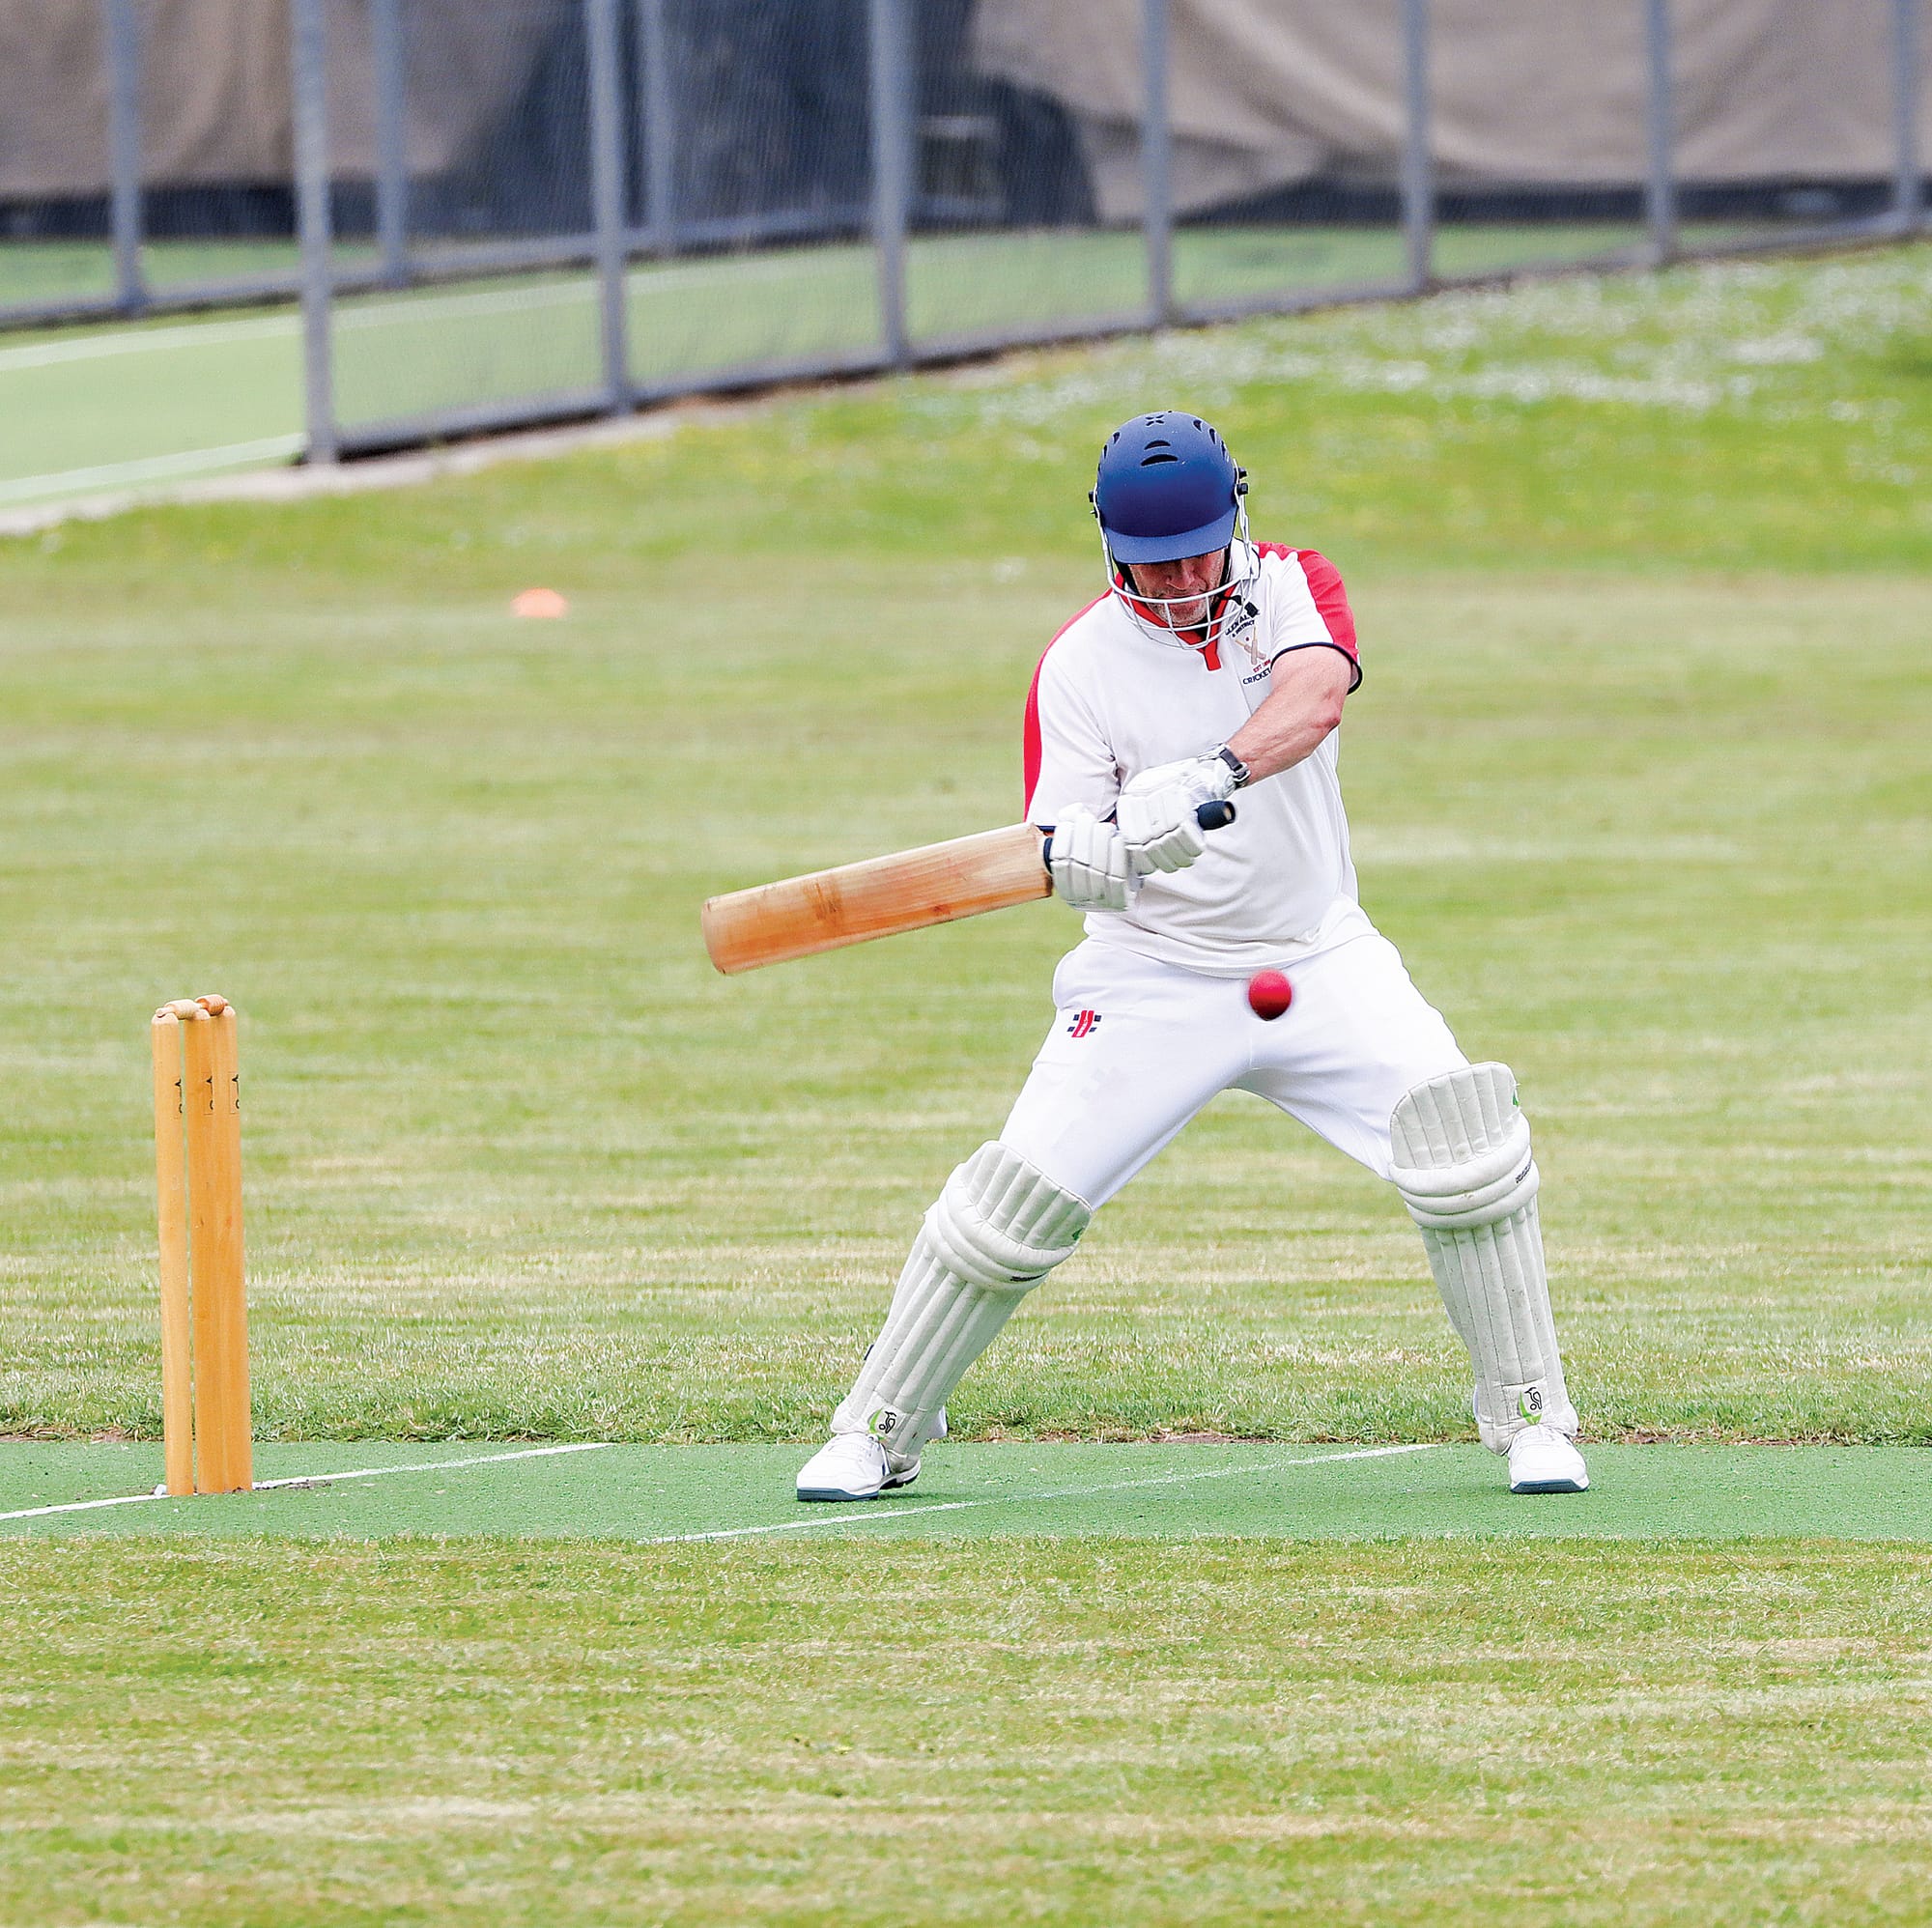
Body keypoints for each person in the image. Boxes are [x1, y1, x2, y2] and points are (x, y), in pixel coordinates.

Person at [796, 411, 1587, 1502]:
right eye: (1148, 568)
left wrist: (1207, 772)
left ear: (1237, 522)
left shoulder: (1292, 584)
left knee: (1466, 1148)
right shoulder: (1076, 664)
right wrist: (1089, 854)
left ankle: (1532, 1417)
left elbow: (1311, 700)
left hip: (1318, 955)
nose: (1175, 588)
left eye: (1193, 559)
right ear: (1110, 553)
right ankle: (877, 1426)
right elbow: (1057, 844)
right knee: (1005, 1208)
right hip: (1150, 971)